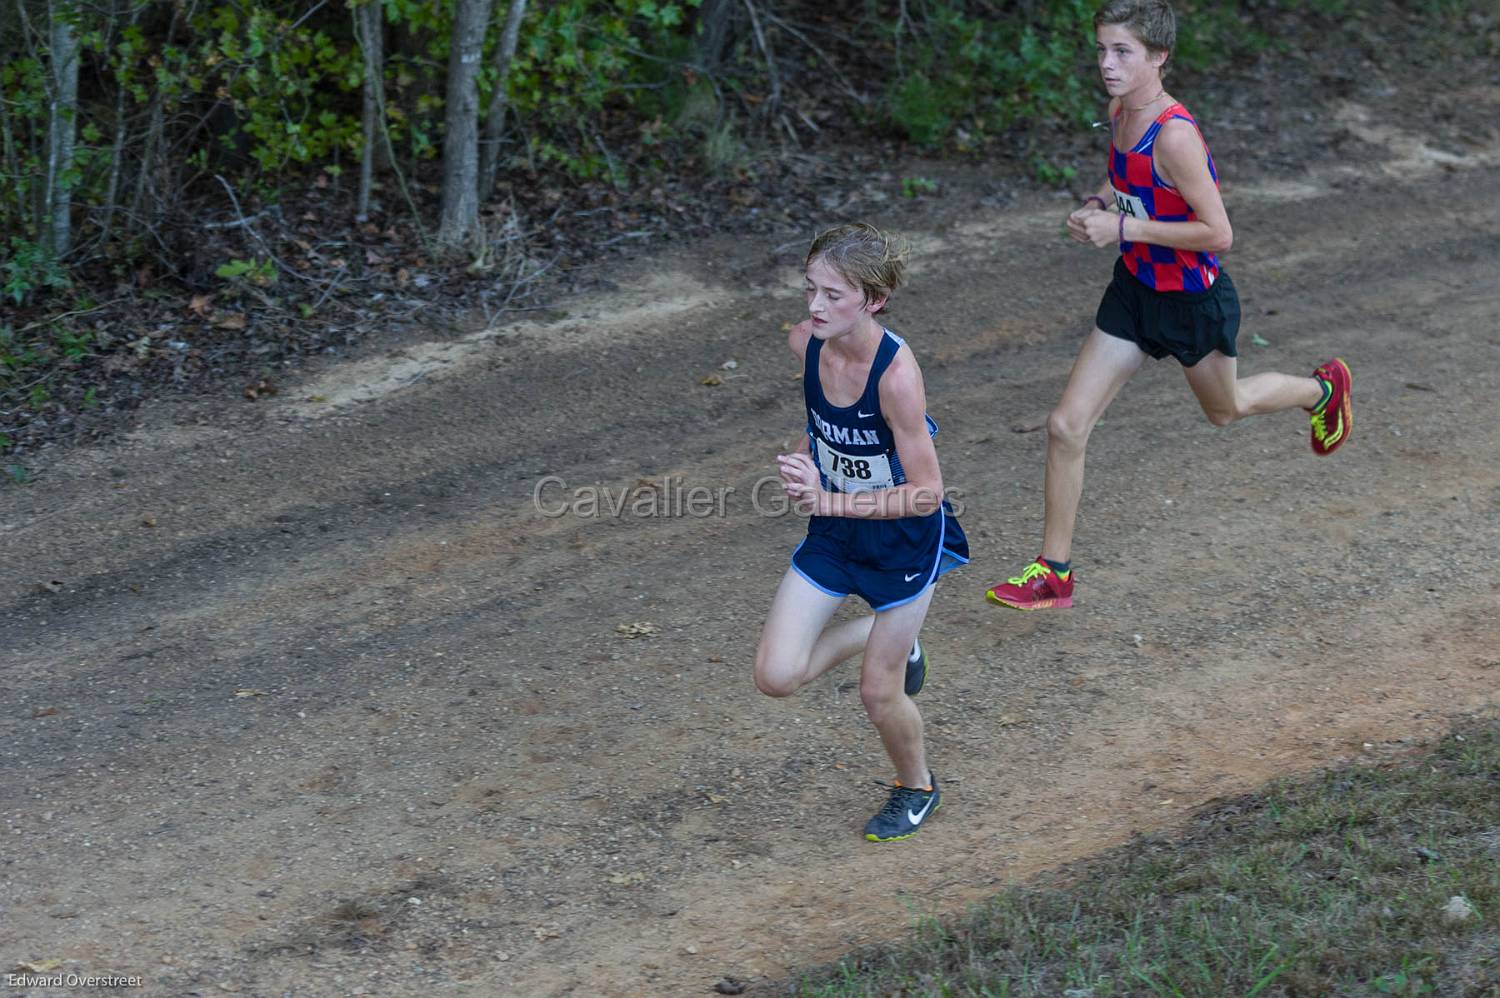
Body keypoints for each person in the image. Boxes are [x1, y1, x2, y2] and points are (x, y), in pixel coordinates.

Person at [985, 0, 1353, 612]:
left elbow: (1219, 233)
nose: (1107, 63)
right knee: (1065, 425)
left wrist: (1124, 232)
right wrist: (1097, 206)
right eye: (1102, 49)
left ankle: (1323, 391)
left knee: (1225, 409)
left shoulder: (1175, 135)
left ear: (1158, 56)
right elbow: (1124, 179)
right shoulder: (1119, 110)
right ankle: (1054, 573)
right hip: (1133, 292)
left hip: (1191, 301)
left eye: (1122, 51)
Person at [754, 222, 968, 842]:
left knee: (879, 691)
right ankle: (892, 635)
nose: (815, 307)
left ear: (873, 301)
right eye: (810, 289)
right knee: (776, 677)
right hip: (836, 531)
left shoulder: (897, 376)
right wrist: (803, 458)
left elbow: (927, 493)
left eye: (833, 295)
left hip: (904, 539)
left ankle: (917, 789)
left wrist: (830, 496)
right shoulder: (807, 343)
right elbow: (823, 424)